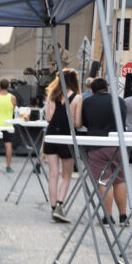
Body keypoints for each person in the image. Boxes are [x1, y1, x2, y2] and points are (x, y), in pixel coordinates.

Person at [76, 78, 128, 224]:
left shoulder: (87, 102)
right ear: (107, 88)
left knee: (104, 180)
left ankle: (108, 216)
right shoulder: (119, 101)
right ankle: (123, 216)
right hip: (118, 144)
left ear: (92, 90)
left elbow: (83, 123)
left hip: (97, 144)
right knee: (120, 180)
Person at [42, 69, 81, 222]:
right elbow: (77, 123)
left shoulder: (52, 96)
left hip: (51, 136)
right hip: (67, 138)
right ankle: (59, 205)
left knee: (53, 174)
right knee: (66, 175)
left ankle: (52, 207)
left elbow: (48, 118)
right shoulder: (77, 98)